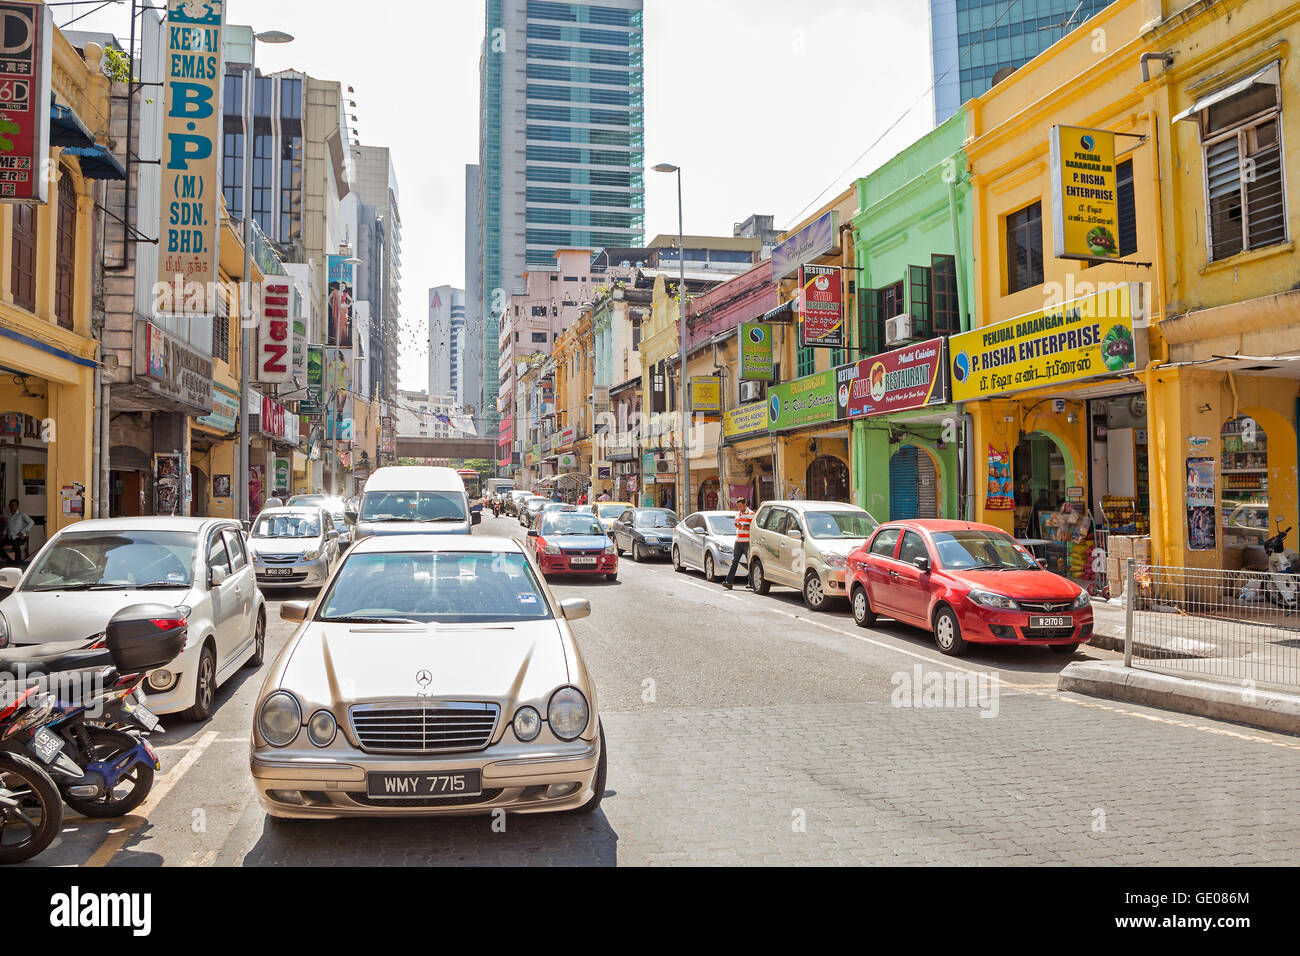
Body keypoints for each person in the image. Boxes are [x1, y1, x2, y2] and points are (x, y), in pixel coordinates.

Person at [722, 497, 753, 591]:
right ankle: (729, 582)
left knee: (750, 562)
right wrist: (738, 526)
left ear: (745, 505)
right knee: (734, 562)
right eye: (738, 506)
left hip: (747, 541)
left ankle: (751, 582)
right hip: (738, 541)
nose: (739, 508)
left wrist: (742, 526)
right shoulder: (737, 515)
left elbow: (752, 527)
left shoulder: (751, 514)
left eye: (740, 506)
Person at [2, 499, 33, 563]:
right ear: (9, 506)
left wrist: (22, 532)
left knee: (16, 545)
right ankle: (8, 560)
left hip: (19, 537)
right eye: (12, 505)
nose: (13, 506)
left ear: (17, 506)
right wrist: (4, 534)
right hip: (10, 537)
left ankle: (18, 561)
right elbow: (6, 527)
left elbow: (31, 522)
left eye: (15, 505)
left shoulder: (21, 514)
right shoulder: (7, 516)